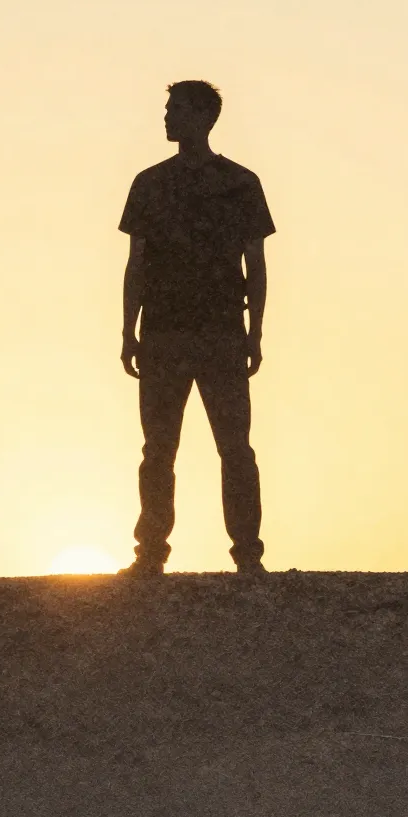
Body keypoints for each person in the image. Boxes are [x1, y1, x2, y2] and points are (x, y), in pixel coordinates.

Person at [117, 80, 276, 577]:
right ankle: (152, 553)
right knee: (159, 449)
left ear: (205, 117)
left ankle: (247, 554)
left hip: (219, 333)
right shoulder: (150, 183)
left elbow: (256, 264)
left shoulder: (240, 183)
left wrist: (254, 332)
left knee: (233, 448)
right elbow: (136, 263)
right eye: (168, 109)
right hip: (166, 333)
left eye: (176, 109)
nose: (167, 117)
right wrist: (128, 330)